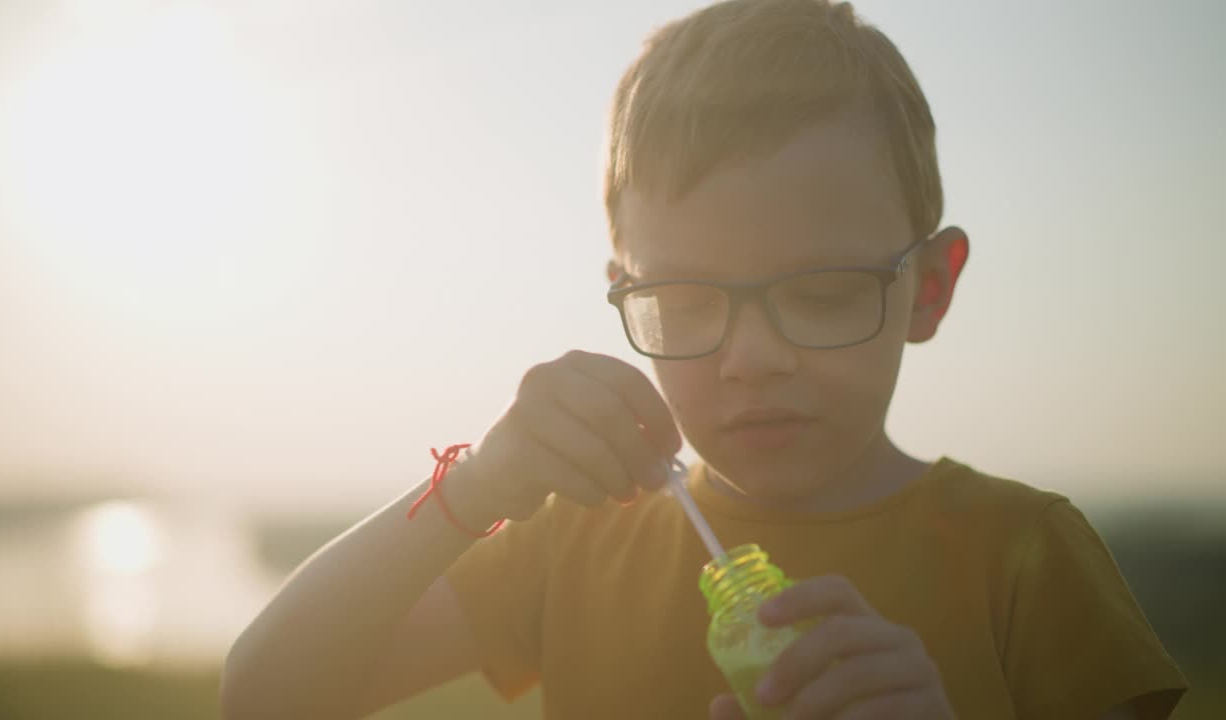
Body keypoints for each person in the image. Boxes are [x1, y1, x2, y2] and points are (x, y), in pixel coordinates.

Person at [220, 1, 1188, 718]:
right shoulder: (577, 541)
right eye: (683, 300)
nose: (751, 358)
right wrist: (474, 489)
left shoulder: (1021, 554)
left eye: (820, 290)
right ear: (623, 289)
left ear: (926, 289)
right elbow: (264, 692)